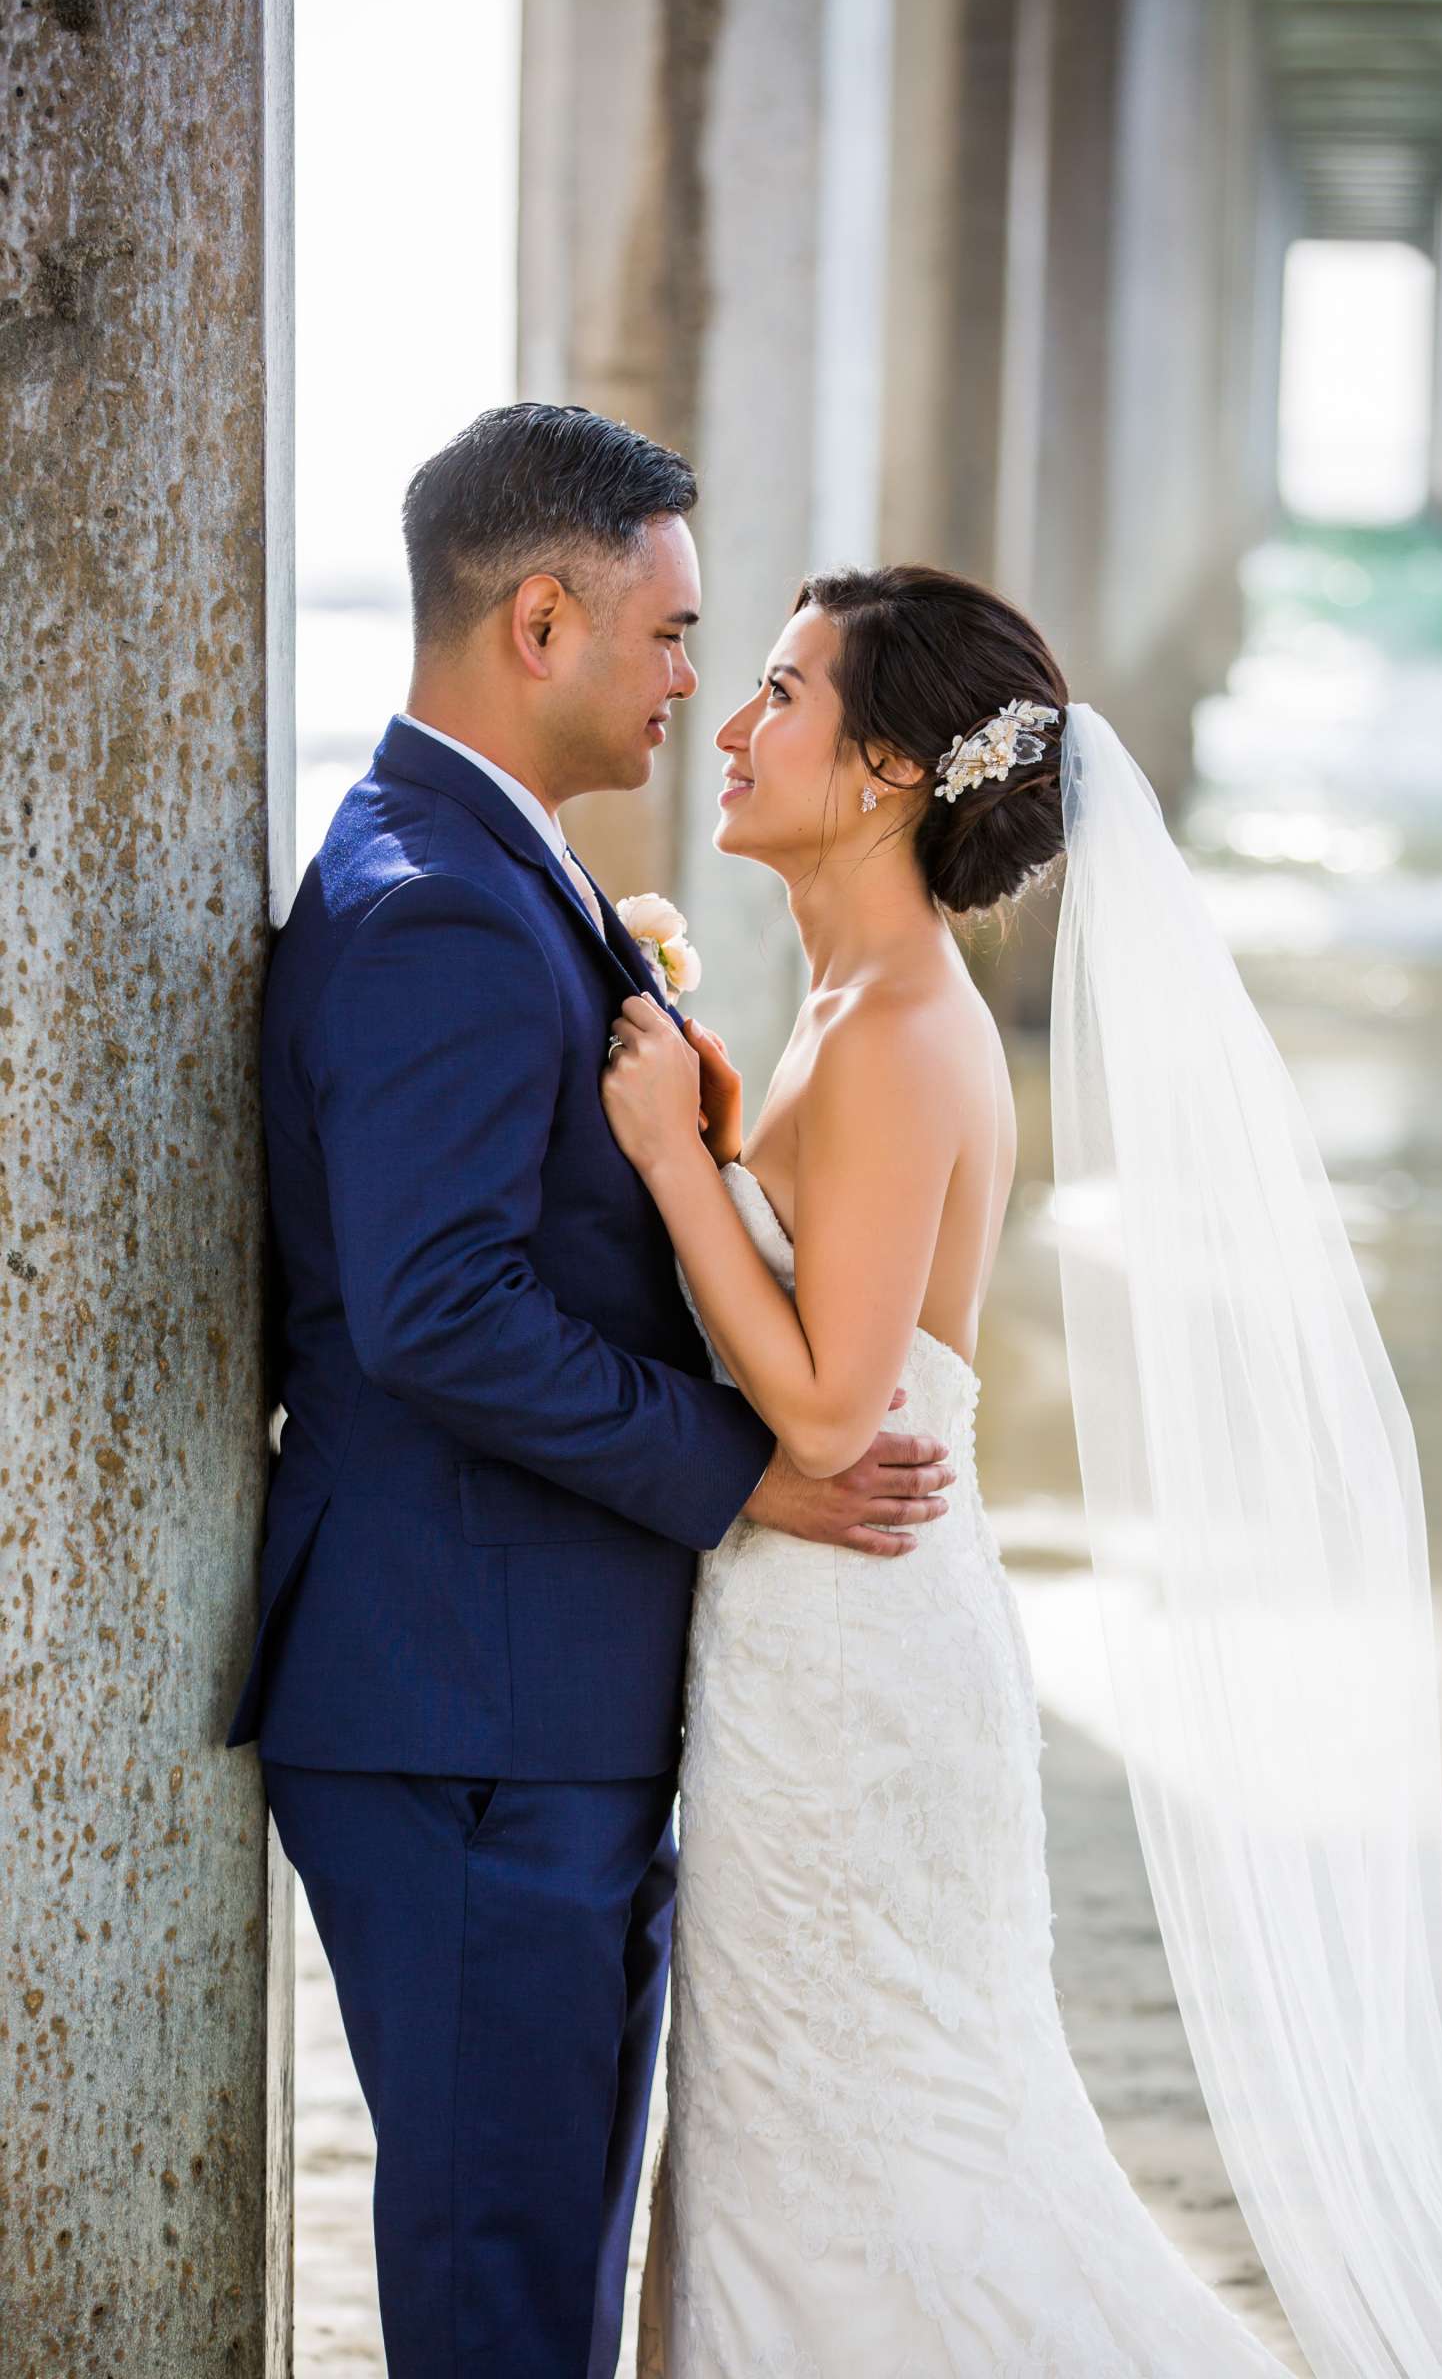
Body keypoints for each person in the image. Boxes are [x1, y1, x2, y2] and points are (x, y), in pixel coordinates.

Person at [602, 564, 1442, 2379]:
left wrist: (676, 1163)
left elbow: (830, 1410)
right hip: (813, 1637)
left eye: (777, 695)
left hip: (855, 1661)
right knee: (807, 2136)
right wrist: (728, 1134)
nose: (729, 731)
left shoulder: (900, 1029)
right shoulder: (852, 1012)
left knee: (879, 2150)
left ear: (893, 767)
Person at [224, 406, 954, 2379]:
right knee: (504, 2271)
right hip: (473, 1700)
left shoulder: (492, 860)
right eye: (670, 636)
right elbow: (438, 1311)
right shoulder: (439, 901)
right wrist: (748, 1474)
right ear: (540, 620)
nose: (690, 687)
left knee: (542, 2248)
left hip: (519, 1684)